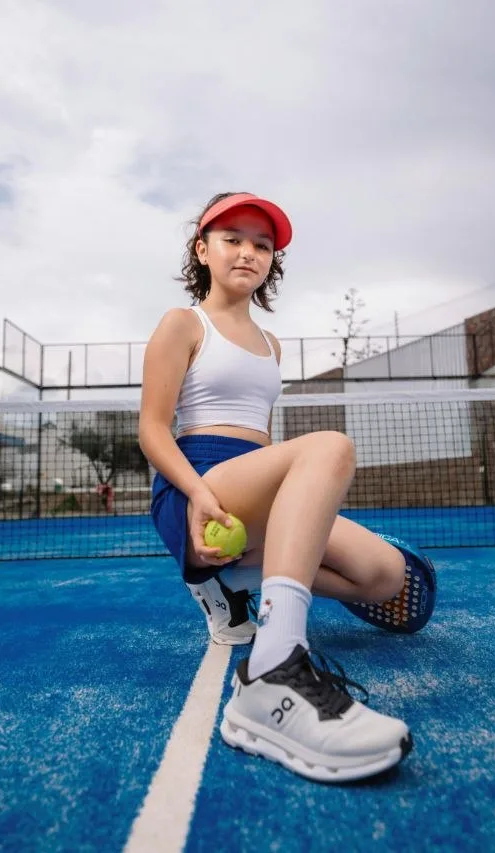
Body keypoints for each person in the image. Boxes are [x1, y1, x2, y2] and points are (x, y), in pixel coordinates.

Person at [138, 191, 414, 782]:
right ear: (202, 250)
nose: (249, 251)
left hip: (251, 477)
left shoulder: (272, 344)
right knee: (331, 445)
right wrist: (198, 496)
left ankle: (242, 574)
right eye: (233, 238)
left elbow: (263, 442)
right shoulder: (184, 323)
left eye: (262, 245)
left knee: (386, 577)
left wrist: (289, 513)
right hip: (198, 476)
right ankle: (274, 666)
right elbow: (152, 430)